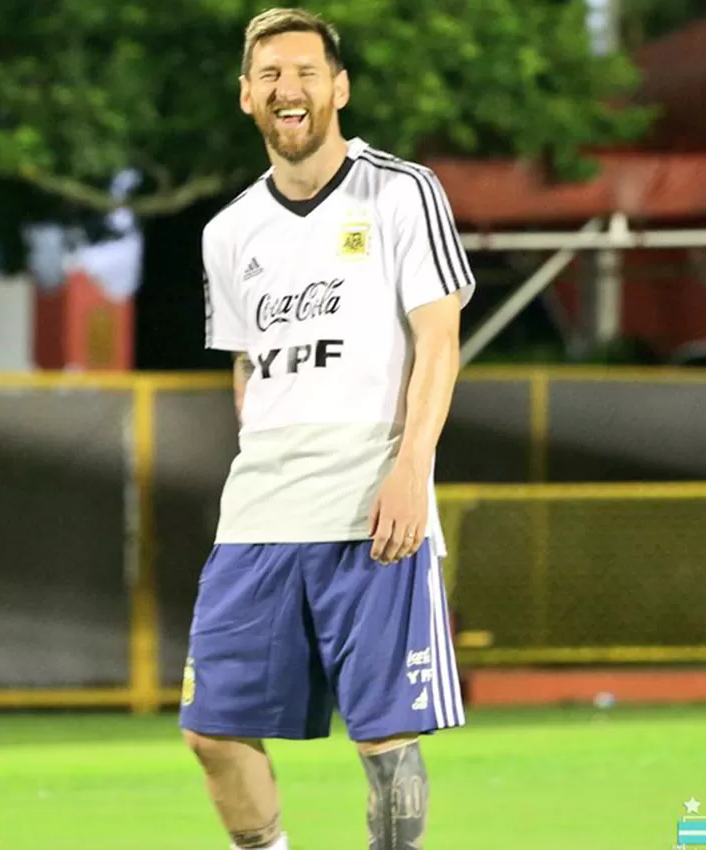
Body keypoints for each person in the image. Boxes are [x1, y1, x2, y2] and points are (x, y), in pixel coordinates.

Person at [180, 9, 474, 850]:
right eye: (270, 75)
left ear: (338, 89)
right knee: (212, 730)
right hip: (260, 514)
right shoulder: (228, 231)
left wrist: (411, 468)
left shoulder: (401, 191)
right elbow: (244, 362)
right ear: (247, 97)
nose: (289, 89)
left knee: (384, 742)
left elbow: (439, 339)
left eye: (306, 72)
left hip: (370, 501)